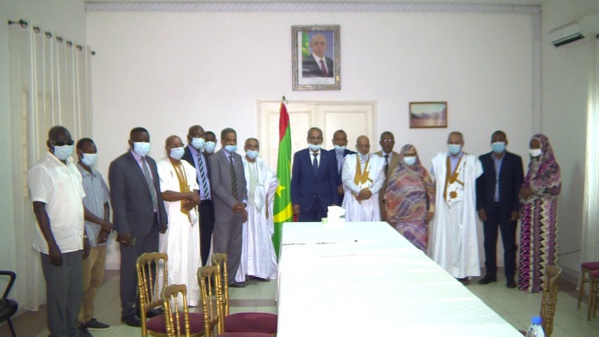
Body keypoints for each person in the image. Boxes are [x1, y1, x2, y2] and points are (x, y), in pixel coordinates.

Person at [28, 126, 87, 337]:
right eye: (60, 143)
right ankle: (59, 333)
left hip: (74, 241)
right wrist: (52, 245)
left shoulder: (71, 167)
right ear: (49, 144)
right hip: (56, 244)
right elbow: (39, 208)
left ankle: (72, 331)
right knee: (58, 296)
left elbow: (78, 206)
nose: (66, 147)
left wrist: (85, 236)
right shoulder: (42, 169)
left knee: (74, 293)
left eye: (69, 142)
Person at [109, 127, 168, 327]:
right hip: (132, 228)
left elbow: (156, 193)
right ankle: (127, 311)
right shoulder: (119, 165)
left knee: (150, 266)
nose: (143, 143)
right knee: (130, 271)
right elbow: (117, 200)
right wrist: (122, 229)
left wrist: (163, 216)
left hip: (152, 223)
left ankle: (145, 305)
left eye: (146, 140)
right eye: (139, 140)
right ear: (131, 142)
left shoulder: (150, 162)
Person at [429, 131, 482, 285]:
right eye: (451, 142)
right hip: (444, 208)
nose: (454, 145)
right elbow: (434, 182)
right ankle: (444, 270)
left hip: (463, 209)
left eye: (457, 142)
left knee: (463, 238)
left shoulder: (472, 162)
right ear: (447, 142)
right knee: (444, 238)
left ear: (462, 143)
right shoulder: (439, 160)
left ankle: (463, 272)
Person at [476, 131, 524, 289]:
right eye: (495, 140)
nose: (497, 143)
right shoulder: (482, 160)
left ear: (506, 142)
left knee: (509, 244)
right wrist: (480, 207)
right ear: (490, 142)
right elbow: (479, 186)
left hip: (508, 209)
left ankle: (510, 276)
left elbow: (519, 186)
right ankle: (491, 273)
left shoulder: (515, 160)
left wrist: (517, 208)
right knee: (489, 243)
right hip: (489, 208)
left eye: (500, 140)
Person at [157, 135, 201, 305]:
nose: (177, 147)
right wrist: (189, 195)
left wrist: (192, 199)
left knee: (189, 255)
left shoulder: (188, 166)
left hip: (189, 217)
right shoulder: (161, 166)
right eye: (173, 145)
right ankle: (170, 299)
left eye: (179, 144)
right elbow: (164, 193)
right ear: (167, 147)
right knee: (173, 254)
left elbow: (195, 190)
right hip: (172, 217)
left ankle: (189, 297)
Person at [76, 138, 113, 334]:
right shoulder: (74, 175)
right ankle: (78, 321)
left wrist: (105, 227)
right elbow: (78, 208)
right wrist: (101, 224)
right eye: (88, 151)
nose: (91, 154)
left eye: (94, 150)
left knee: (96, 280)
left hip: (101, 238)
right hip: (86, 238)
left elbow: (106, 203)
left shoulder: (97, 175)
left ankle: (88, 316)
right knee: (83, 282)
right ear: (79, 152)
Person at [518, 134, 561, 293]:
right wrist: (523, 194)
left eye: (536, 146)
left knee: (543, 248)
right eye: (532, 145)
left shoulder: (551, 166)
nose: (533, 149)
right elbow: (525, 187)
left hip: (544, 215)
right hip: (530, 213)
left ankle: (543, 284)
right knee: (528, 248)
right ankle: (528, 282)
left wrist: (532, 191)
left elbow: (555, 188)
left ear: (544, 147)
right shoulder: (532, 165)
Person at [235, 138, 279, 283]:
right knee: (246, 238)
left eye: (255, 147)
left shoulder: (261, 164)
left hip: (260, 210)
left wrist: (267, 205)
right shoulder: (239, 163)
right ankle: (246, 272)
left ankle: (261, 271)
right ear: (245, 147)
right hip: (246, 209)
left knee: (261, 238)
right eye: (250, 146)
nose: (252, 149)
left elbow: (271, 183)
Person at [209, 128, 248, 287]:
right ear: (223, 141)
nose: (232, 143)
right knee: (221, 249)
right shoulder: (214, 159)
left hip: (238, 211)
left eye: (234, 140)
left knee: (235, 247)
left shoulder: (238, 158)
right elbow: (216, 185)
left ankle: (229, 279)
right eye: (229, 140)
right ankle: (218, 282)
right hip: (223, 211)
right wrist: (233, 203)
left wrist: (243, 202)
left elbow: (242, 182)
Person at [384, 144, 435, 252]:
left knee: (419, 252)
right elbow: (389, 195)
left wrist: (431, 209)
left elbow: (431, 190)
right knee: (403, 252)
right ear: (402, 156)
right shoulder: (396, 173)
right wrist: (390, 214)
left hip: (419, 221)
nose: (410, 157)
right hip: (401, 221)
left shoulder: (422, 172)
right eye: (407, 155)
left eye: (412, 154)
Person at [182, 125, 215, 266]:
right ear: (189, 138)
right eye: (197, 135)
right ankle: (193, 274)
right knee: (193, 241)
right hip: (192, 205)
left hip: (207, 204)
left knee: (205, 240)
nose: (200, 139)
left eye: (202, 136)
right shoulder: (183, 156)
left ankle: (202, 272)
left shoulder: (204, 156)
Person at [291, 127, 338, 222]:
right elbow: (295, 181)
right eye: (313, 138)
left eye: (318, 138)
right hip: (305, 205)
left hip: (325, 205)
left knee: (324, 234)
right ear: (308, 139)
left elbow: (333, 181)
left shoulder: (329, 156)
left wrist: (334, 202)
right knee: (306, 234)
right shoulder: (299, 156)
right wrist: (295, 202)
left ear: (322, 139)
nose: (315, 141)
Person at [341, 135, 385, 222]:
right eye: (362, 146)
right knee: (353, 229)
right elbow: (346, 179)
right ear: (357, 147)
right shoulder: (349, 159)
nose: (364, 148)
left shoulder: (377, 161)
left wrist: (370, 192)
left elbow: (381, 180)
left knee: (369, 230)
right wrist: (360, 191)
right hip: (353, 199)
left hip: (370, 199)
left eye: (367, 146)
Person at [374, 131, 400, 219]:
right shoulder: (374, 157)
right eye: (385, 140)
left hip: (394, 198)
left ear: (394, 143)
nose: (388, 143)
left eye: (390, 140)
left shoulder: (400, 158)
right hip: (377, 197)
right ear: (380, 143)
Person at [329, 129, 355, 205]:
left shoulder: (353, 156)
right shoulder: (326, 155)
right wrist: (334, 190)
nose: (340, 142)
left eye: (343, 140)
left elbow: (356, 175)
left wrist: (345, 187)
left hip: (349, 196)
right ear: (333, 141)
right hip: (330, 197)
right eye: (338, 140)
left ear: (346, 142)